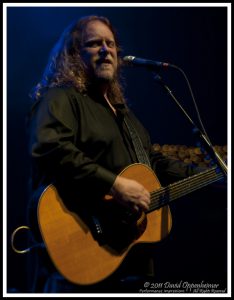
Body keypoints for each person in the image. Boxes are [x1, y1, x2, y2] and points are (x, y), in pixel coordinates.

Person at [27, 15, 206, 293]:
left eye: (110, 44)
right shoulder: (60, 98)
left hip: (131, 262)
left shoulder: (125, 116)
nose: (105, 49)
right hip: (81, 251)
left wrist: (214, 174)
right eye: (94, 43)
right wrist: (115, 184)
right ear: (73, 54)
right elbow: (50, 147)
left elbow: (152, 162)